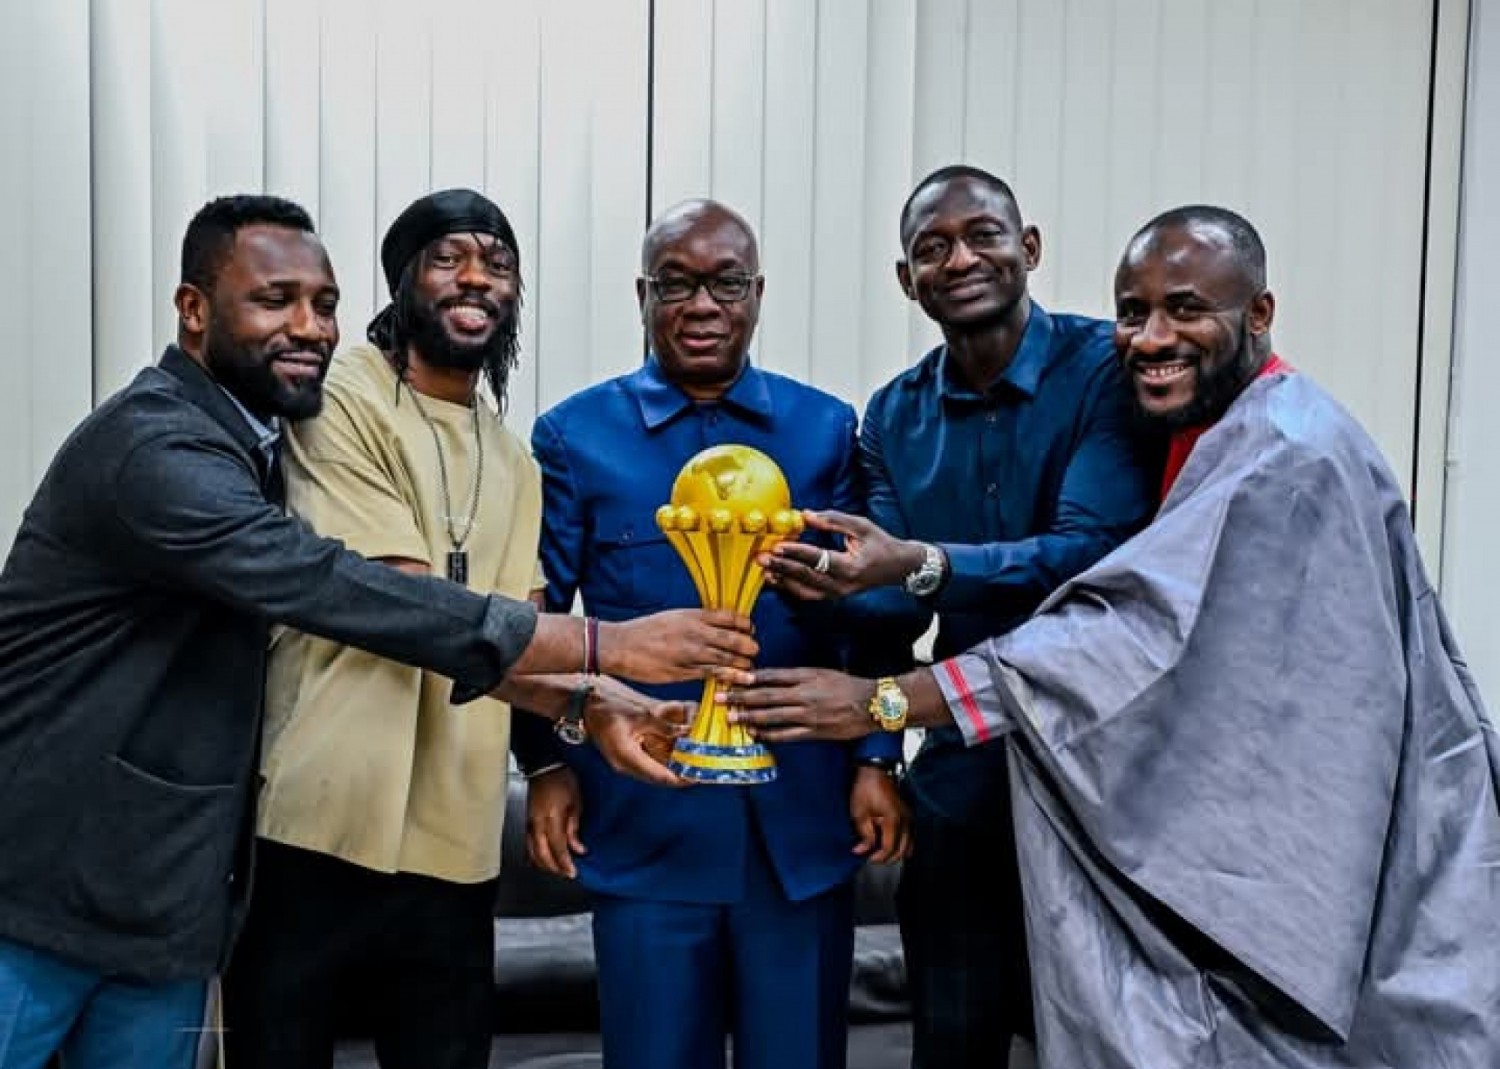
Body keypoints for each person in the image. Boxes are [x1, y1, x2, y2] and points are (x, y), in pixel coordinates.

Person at [726, 205, 1500, 1068]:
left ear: (1260, 313)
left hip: (1247, 826)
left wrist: (884, 698)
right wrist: (808, 601)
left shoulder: (1287, 452)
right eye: (1135, 312)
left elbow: (1122, 622)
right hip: (1030, 780)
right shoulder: (913, 414)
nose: (1153, 337)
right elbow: (905, 609)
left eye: (1186, 309)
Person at [0, 194, 757, 1069]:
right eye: (275, 299)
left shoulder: (317, 443)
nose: (308, 326)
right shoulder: (170, 446)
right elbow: (358, 594)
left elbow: (479, 632)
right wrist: (606, 646)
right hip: (49, 882)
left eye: (322, 303)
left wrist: (581, 705)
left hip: (175, 895)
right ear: (194, 309)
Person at [221, 188, 671, 1069]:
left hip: (455, 840)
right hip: (316, 821)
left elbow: (525, 636)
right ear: (404, 279)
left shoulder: (515, 459)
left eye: (498, 264)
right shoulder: (340, 397)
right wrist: (604, 660)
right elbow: (402, 604)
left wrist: (583, 715)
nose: (477, 278)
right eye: (449, 258)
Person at [759, 164, 1157, 1067]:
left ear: (1030, 248)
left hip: (1103, 758)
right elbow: (889, 606)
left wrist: (921, 563)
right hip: (963, 757)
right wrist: (813, 582)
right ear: (908, 280)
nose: (961, 258)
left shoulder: (1105, 369)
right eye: (933, 248)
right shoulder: (892, 415)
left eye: (983, 235)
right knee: (952, 1031)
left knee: (1106, 1034)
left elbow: (1089, 552)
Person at [510, 198, 910, 1069]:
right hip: (649, 818)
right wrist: (543, 762)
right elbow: (534, 623)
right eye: (675, 284)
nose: (701, 305)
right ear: (643, 296)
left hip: (800, 824)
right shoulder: (575, 436)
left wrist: (879, 758)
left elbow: (872, 608)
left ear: (757, 293)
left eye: (726, 283)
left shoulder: (826, 429)